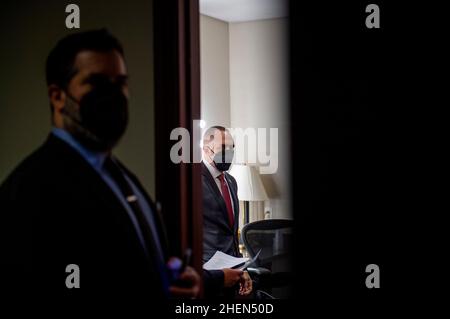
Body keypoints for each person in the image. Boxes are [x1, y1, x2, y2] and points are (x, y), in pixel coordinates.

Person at [0, 29, 199, 299]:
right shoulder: (28, 190)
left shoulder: (122, 177)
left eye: (120, 83)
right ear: (58, 96)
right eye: (97, 83)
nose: (113, 95)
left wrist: (175, 282)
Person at [201, 126, 252, 297]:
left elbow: (231, 233)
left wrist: (241, 270)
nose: (228, 152)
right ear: (206, 149)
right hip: (208, 276)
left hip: (233, 277)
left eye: (232, 147)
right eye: (223, 147)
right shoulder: (193, 180)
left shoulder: (231, 181)